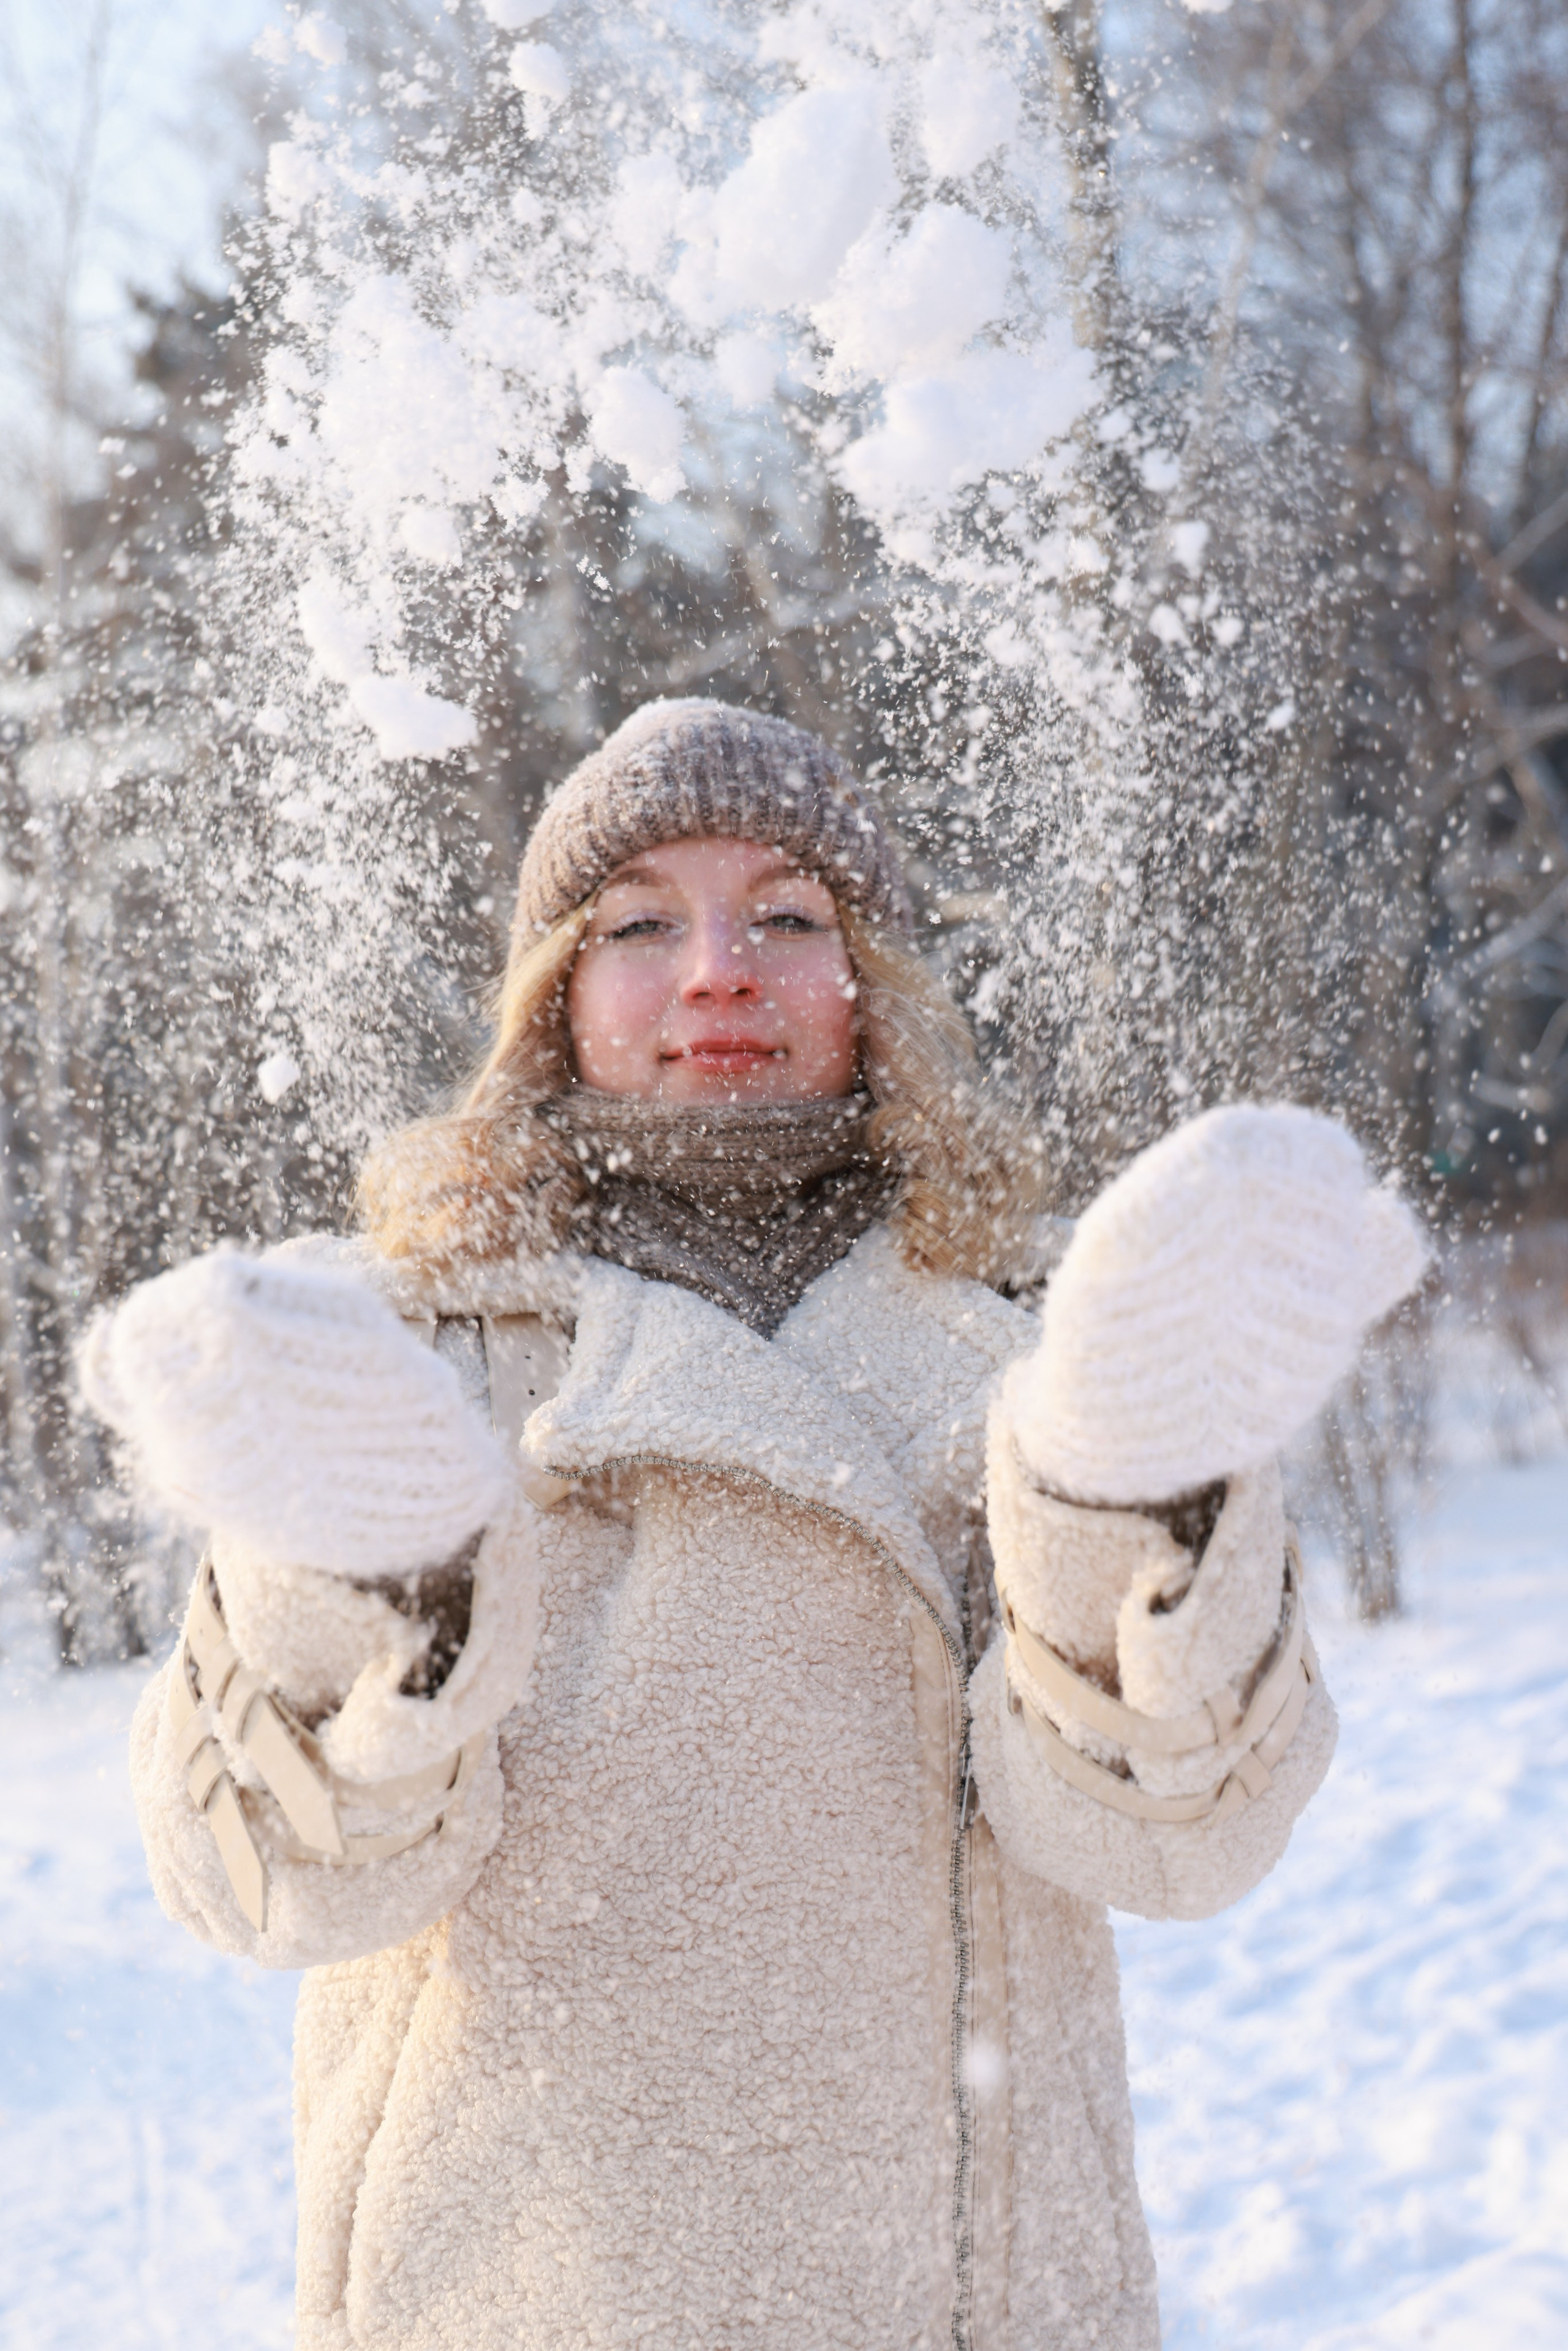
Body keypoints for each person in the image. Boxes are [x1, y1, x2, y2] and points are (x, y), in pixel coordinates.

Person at [84, 699, 1426, 2351]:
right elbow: (268, 1885)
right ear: (553, 998)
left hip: (967, 2295)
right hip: (521, 2284)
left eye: (787, 916)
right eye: (640, 923)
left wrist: (1111, 1482)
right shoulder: (397, 1365)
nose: (721, 968)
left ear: (867, 983)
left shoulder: (1057, 1342)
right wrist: (357, 1570)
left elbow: (1178, 1841)